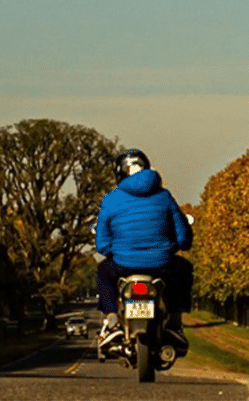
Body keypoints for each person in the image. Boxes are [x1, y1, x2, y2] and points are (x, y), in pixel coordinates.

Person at [95, 148, 194, 351]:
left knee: (103, 272)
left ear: (120, 173)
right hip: (162, 266)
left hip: (123, 266)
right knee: (184, 269)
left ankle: (112, 318)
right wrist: (177, 245)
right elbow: (183, 237)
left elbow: (102, 244)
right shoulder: (165, 197)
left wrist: (116, 250)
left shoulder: (111, 200)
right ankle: (175, 321)